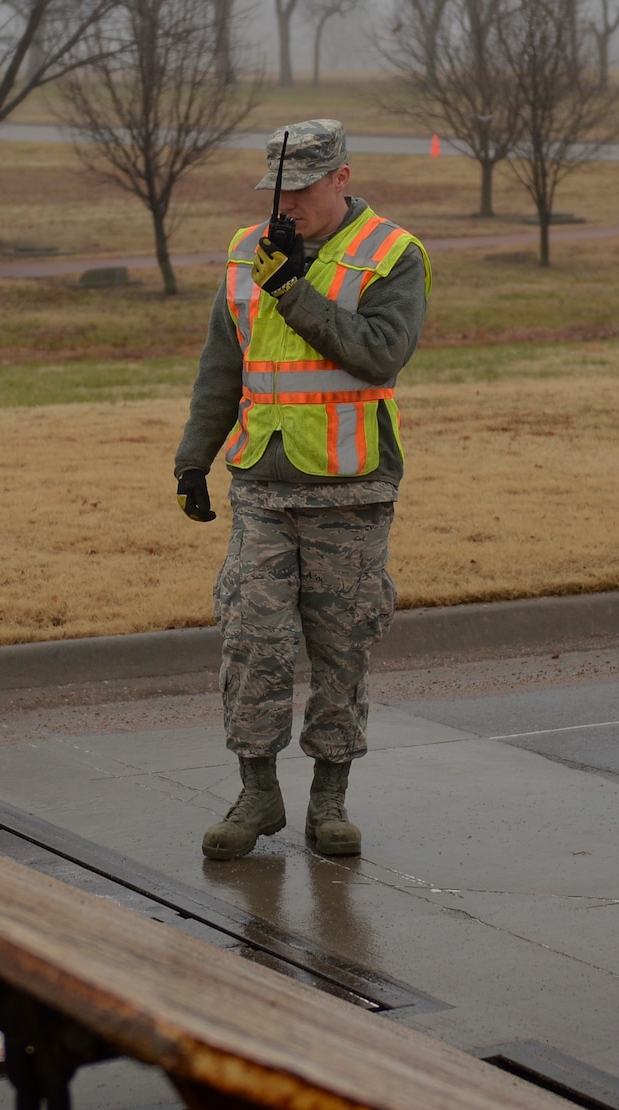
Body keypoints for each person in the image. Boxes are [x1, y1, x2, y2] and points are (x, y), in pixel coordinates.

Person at [173, 119, 433, 862]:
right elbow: (224, 366)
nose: (285, 204)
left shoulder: (393, 255)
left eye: (303, 188)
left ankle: (330, 799)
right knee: (252, 641)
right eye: (276, 189)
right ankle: (257, 792)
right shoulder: (243, 253)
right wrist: (194, 458)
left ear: (342, 178)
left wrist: (293, 289)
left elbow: (379, 356)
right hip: (262, 483)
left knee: (341, 646)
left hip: (350, 489)